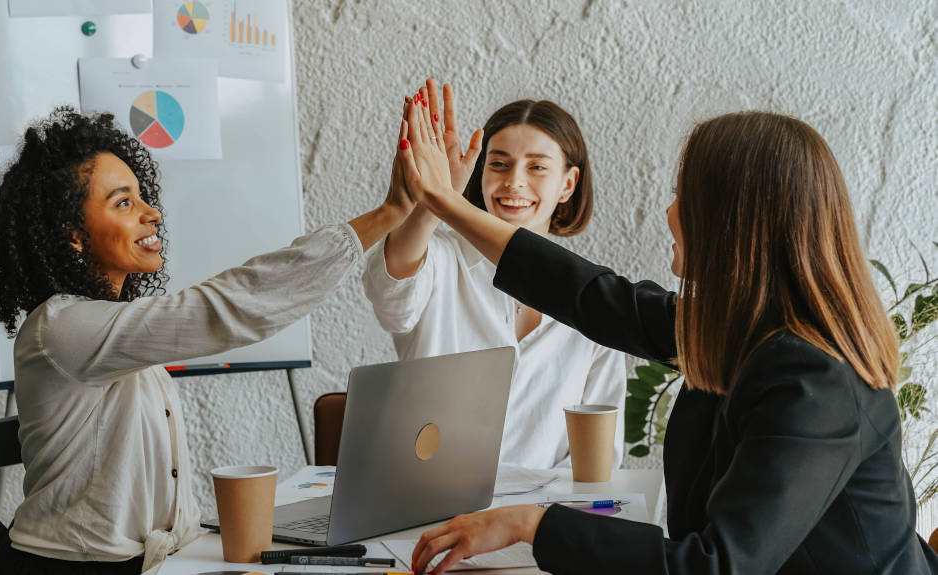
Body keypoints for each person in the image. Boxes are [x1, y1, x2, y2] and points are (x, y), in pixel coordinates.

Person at [395, 87, 938, 573]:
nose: (669, 212)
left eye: (684, 197)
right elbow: (590, 296)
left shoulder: (816, 380)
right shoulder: (742, 328)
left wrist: (531, 524)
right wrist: (445, 203)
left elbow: (717, 566)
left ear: (732, 223)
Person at [0, 107, 414, 575]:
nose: (152, 214)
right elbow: (224, 307)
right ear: (72, 237)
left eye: (142, 197)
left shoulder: (116, 332)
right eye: (123, 203)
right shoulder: (61, 328)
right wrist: (388, 213)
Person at [362, 80, 625, 469]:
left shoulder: (594, 298)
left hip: (537, 520)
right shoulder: (440, 259)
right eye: (498, 163)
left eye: (536, 166)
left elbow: (599, 456)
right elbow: (390, 293)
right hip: (427, 511)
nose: (514, 181)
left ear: (567, 184)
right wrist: (435, 198)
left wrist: (533, 522)